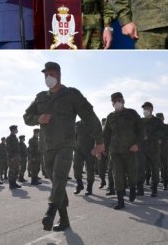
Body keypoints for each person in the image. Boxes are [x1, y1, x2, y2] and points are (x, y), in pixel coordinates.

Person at [24, 62, 104, 231]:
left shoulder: (72, 95)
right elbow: (26, 117)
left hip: (66, 144)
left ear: (59, 75)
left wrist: (99, 141)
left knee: (60, 177)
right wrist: (38, 119)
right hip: (46, 146)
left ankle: (50, 212)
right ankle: (65, 220)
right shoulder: (40, 97)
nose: (48, 78)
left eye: (51, 74)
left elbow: (90, 117)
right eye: (45, 75)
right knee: (56, 183)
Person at [103, 92, 143, 209]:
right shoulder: (110, 117)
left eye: (119, 100)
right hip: (115, 151)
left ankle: (132, 190)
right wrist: (103, 148)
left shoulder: (132, 113)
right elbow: (106, 134)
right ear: (112, 103)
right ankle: (120, 201)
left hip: (130, 150)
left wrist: (137, 144)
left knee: (132, 173)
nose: (117, 103)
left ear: (123, 100)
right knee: (117, 175)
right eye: (114, 101)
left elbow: (141, 131)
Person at [72, 121, 96, 195]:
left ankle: (89, 188)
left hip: (90, 150)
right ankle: (79, 184)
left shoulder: (94, 123)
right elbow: (74, 136)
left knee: (90, 169)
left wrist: (96, 148)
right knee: (76, 166)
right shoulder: (77, 124)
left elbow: (99, 137)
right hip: (78, 150)